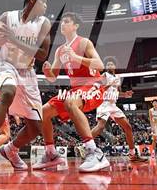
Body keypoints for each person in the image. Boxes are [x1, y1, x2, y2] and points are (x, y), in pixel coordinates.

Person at [0, 0, 51, 177]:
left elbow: (42, 54)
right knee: (7, 93)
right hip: (6, 66)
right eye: (43, 0)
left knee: (35, 128)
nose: (46, 4)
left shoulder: (44, 23)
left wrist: (13, 39)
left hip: (28, 73)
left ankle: (10, 149)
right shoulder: (7, 17)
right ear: (31, 0)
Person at [33, 12, 110, 172]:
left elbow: (100, 65)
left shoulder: (84, 43)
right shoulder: (60, 50)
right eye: (62, 22)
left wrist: (76, 57)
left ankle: (94, 152)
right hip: (76, 90)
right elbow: (53, 77)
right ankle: (51, 154)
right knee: (42, 113)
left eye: (67, 22)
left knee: (70, 101)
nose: (63, 24)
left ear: (75, 26)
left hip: (93, 85)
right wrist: (47, 72)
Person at [91, 58, 145, 162]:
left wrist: (125, 94)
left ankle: (132, 154)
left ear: (115, 67)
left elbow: (116, 93)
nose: (109, 65)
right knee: (101, 126)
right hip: (104, 103)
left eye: (111, 64)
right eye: (108, 64)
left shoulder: (118, 78)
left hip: (113, 105)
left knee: (128, 127)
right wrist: (109, 84)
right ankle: (83, 145)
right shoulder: (104, 76)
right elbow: (98, 89)